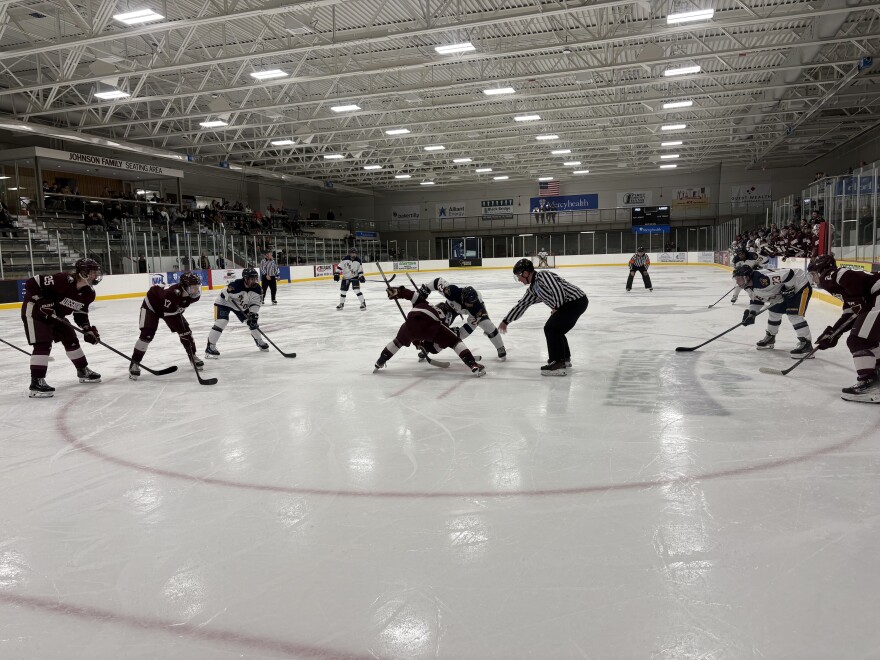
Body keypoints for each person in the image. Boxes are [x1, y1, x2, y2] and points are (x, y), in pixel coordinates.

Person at [20, 257, 103, 397]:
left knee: (71, 338)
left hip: (55, 315)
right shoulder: (63, 280)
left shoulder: (89, 293)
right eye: (93, 272)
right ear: (83, 272)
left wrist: (87, 329)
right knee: (43, 344)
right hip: (35, 312)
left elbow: (80, 314)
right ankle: (36, 382)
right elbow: (31, 282)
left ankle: (83, 370)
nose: (96, 275)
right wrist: (42, 301)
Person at [808, 255, 880, 402]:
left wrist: (858, 298)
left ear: (821, 270)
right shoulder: (844, 288)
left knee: (859, 340)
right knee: (868, 339)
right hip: (876, 297)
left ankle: (871, 386)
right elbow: (850, 313)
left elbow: (846, 275)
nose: (814, 278)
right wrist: (834, 333)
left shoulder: (829, 275)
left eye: (814, 274)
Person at [498, 258, 588, 376]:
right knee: (556, 329)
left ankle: (557, 362)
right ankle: (564, 359)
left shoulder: (543, 276)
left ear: (526, 273)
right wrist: (506, 321)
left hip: (575, 301)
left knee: (551, 328)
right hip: (571, 304)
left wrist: (557, 307)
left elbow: (557, 289)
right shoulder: (533, 289)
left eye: (519, 276)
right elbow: (522, 305)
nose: (519, 279)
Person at [374, 286, 485, 376]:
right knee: (455, 342)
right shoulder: (443, 319)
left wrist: (399, 292)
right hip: (430, 323)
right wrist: (425, 345)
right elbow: (439, 341)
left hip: (410, 322)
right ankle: (472, 364)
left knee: (397, 342)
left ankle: (381, 360)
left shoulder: (425, 303)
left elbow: (413, 295)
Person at [128, 272, 204, 379]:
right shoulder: (171, 294)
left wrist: (184, 331)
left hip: (169, 308)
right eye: (193, 288)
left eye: (197, 287)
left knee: (186, 331)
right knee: (147, 334)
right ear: (184, 287)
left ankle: (193, 356)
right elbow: (170, 316)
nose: (196, 290)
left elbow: (177, 309)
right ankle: (134, 363)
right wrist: (182, 330)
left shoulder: (194, 296)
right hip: (152, 306)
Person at [734, 263, 813, 356]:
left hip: (799, 284)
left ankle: (806, 344)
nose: (737, 282)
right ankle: (770, 337)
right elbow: (757, 300)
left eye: (739, 279)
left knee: (794, 315)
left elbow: (789, 274)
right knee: (774, 312)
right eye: (736, 279)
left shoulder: (763, 280)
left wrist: (788, 289)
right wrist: (751, 312)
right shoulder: (748, 286)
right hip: (780, 291)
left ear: (747, 277)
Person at [427, 277, 506, 360]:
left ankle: (500, 347)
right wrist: (426, 288)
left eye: (473, 303)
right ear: (462, 299)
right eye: (469, 303)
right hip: (450, 307)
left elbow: (470, 327)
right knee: (438, 320)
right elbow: (438, 281)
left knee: (488, 325)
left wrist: (457, 334)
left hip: (470, 312)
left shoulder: (477, 309)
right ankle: (428, 343)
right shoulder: (452, 291)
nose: (471, 306)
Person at [205, 268, 268, 358]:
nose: (254, 281)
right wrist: (226, 293)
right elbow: (224, 291)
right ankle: (210, 346)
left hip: (241, 306)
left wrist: (252, 313)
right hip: (224, 303)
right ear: (245, 279)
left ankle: (259, 341)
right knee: (222, 321)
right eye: (251, 279)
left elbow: (256, 303)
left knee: (252, 321)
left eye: (255, 278)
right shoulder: (236, 284)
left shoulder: (258, 289)